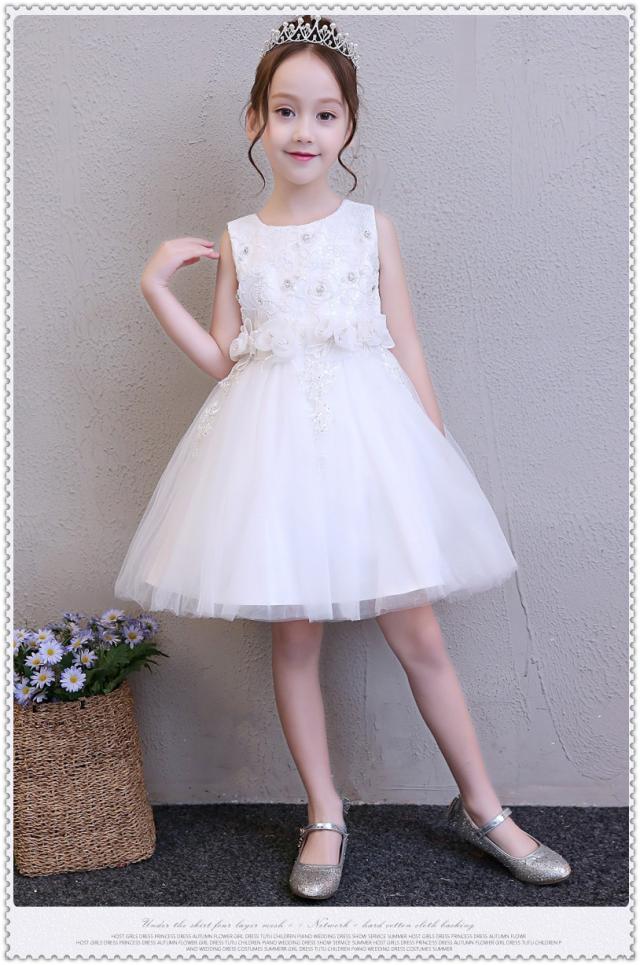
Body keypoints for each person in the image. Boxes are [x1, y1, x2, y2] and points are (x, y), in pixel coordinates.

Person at [114, 13, 571, 900]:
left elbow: (407, 341)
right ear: (255, 119)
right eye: (286, 110)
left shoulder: (371, 228)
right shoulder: (241, 239)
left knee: (419, 635)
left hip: (372, 451)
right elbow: (226, 357)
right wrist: (154, 287)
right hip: (276, 458)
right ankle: (323, 812)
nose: (304, 130)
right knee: (296, 637)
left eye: (325, 114)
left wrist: (430, 460)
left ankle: (486, 808)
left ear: (349, 126)